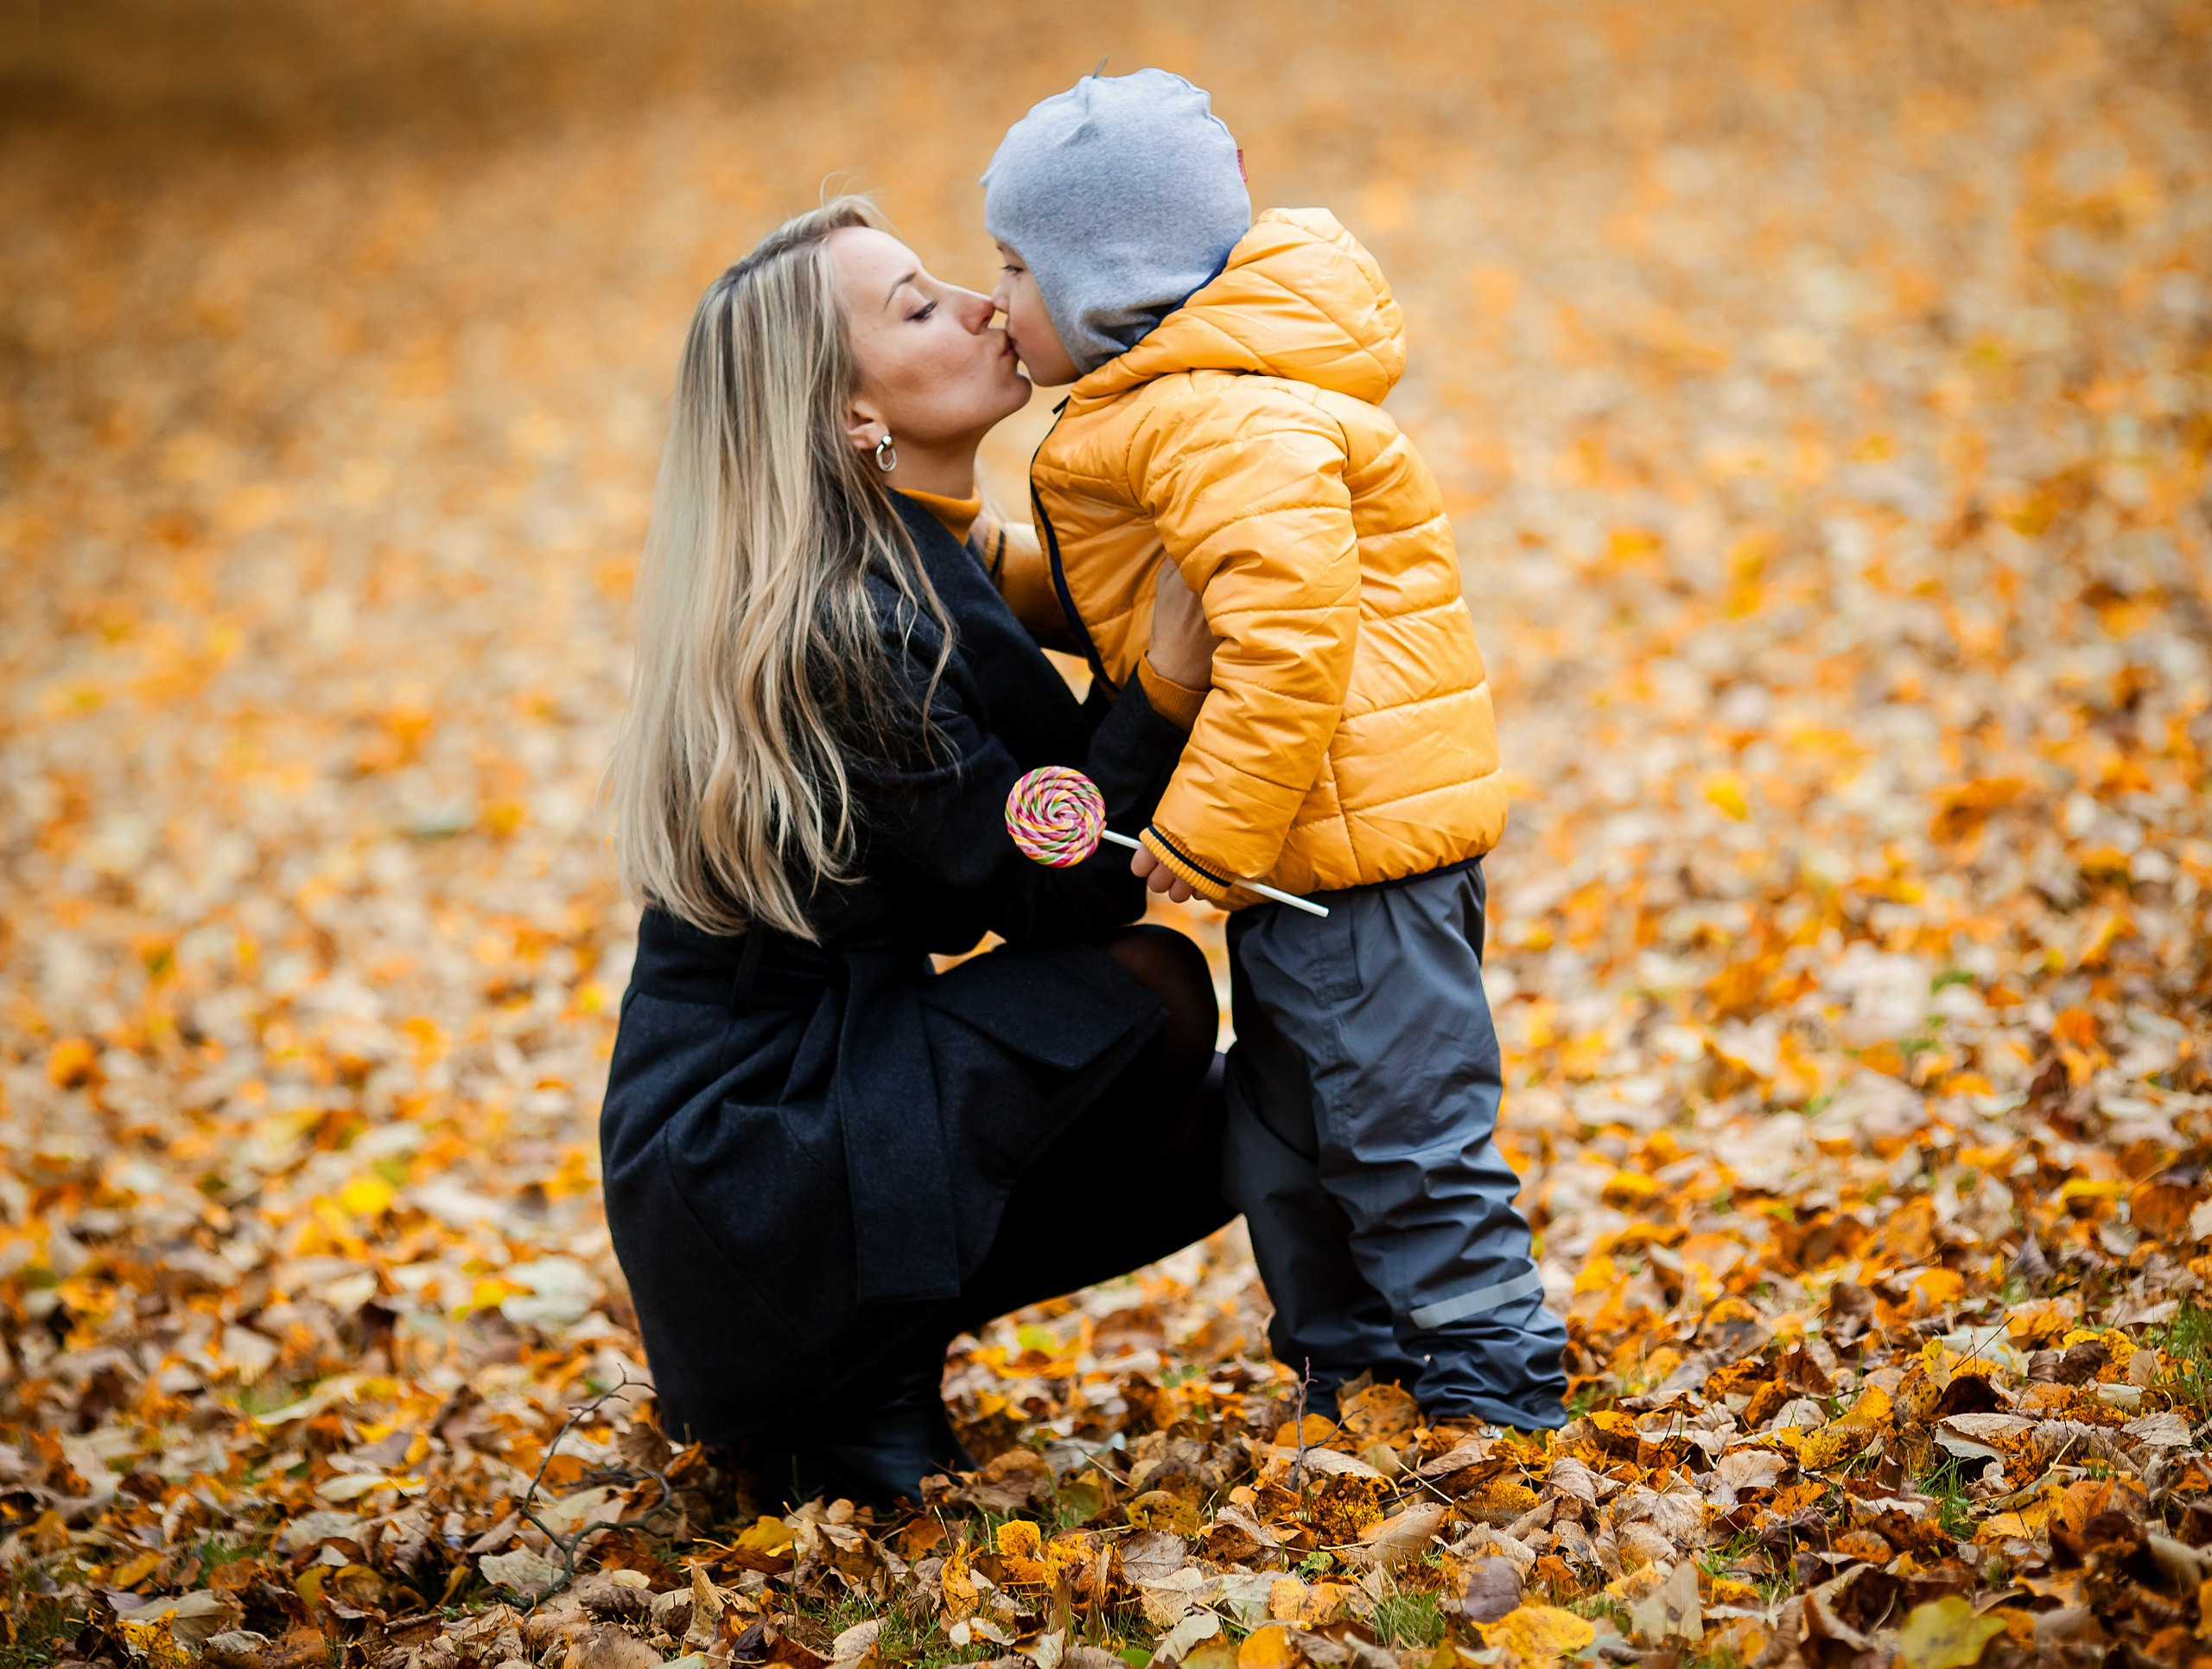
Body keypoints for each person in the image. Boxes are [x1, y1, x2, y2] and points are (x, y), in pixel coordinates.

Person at [598, 196, 1232, 1507]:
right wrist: (1166, 684)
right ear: (851, 418)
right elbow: (1046, 889)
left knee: (1236, 1104)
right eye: (918, 306)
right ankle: (845, 1377)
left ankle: (869, 1357)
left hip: (809, 1115)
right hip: (750, 1170)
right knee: (1150, 992)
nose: (984, 302)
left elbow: (1035, 802)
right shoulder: (845, 625)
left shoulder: (905, 562)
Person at [977, 70, 1567, 1430]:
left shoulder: (1224, 419)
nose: (996, 304)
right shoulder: (1172, 406)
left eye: (1015, 268)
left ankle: (1495, 1380)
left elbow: (1283, 644)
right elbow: (1153, 615)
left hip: (1348, 858)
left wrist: (1201, 840)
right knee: (1289, 1134)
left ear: (1104, 278)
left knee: (1402, 1131)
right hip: (1312, 853)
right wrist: (989, 565)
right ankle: (1353, 1367)